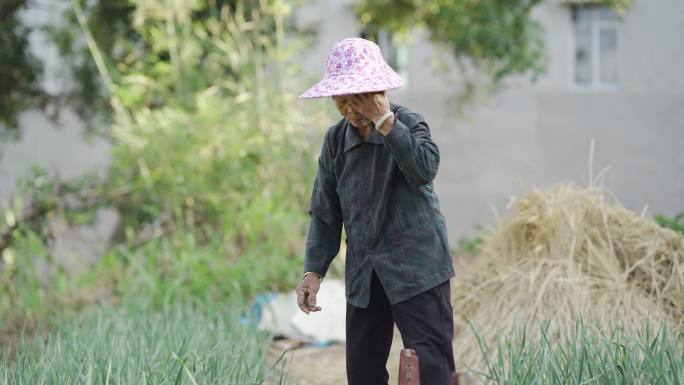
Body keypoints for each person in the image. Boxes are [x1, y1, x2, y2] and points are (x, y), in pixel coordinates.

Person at [296, 37, 456, 385]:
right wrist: (313, 273)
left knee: (432, 368)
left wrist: (385, 121)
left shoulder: (409, 123)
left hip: (418, 267)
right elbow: (325, 212)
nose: (351, 107)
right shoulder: (335, 140)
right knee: (363, 371)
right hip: (365, 274)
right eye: (342, 99)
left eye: (359, 96)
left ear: (378, 91)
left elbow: (424, 169)